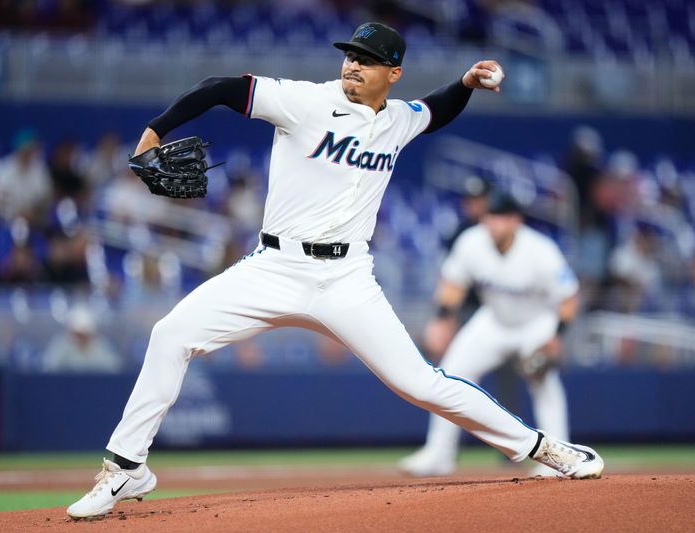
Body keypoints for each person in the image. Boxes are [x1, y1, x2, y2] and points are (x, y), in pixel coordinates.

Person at [67, 22, 603, 520]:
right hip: (274, 266)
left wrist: (464, 82)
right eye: (350, 55)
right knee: (170, 335)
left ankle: (545, 448)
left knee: (420, 383)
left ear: (392, 74)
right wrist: (156, 129)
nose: (352, 65)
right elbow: (219, 87)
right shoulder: (304, 100)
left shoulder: (398, 119)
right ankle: (126, 469)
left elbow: (436, 110)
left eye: (367, 61)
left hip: (347, 279)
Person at [399, 194, 580, 477]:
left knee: (544, 384)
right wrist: (442, 320)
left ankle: (558, 459)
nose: (492, 224)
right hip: (493, 321)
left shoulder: (540, 250)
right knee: (451, 373)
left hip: (536, 323)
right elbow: (452, 284)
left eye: (499, 217)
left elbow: (568, 298)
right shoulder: (472, 242)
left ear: (515, 220)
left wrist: (556, 336)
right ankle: (439, 454)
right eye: (489, 217)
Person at [43, 305, 122, 373]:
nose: (81, 337)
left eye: (84, 333)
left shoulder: (101, 346)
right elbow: (49, 366)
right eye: (77, 333)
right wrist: (66, 344)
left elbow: (115, 367)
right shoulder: (62, 344)